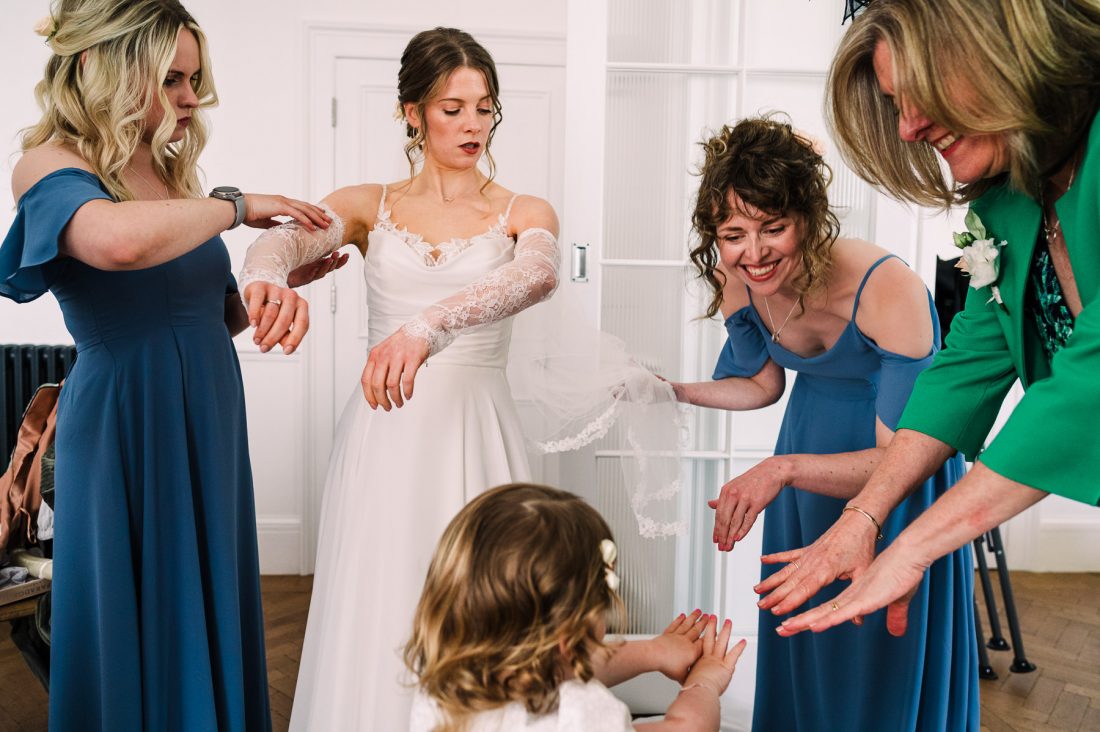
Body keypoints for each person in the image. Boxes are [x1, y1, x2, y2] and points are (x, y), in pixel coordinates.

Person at [0, 1, 335, 730]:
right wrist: (238, 207)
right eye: (172, 79)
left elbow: (204, 317)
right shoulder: (49, 163)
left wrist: (275, 288)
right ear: (98, 67)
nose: (191, 98)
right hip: (123, 421)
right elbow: (113, 245)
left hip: (208, 413)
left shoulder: (172, 174)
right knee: (133, 609)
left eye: (195, 79)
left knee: (205, 596)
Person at [237, 27, 564, 729]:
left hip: (476, 429)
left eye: (485, 108)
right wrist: (269, 280)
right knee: (380, 592)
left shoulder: (521, 212)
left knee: (485, 599)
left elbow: (537, 275)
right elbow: (282, 239)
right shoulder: (367, 203)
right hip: (383, 433)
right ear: (411, 112)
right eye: (453, 108)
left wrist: (428, 326)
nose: (473, 124)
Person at [756, 0, 1100, 640]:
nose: (909, 127)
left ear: (1002, 53)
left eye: (922, 94)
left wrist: (913, 547)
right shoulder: (1008, 201)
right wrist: (864, 517)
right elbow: (963, 371)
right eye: (895, 103)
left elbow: (1091, 383)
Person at [666, 116, 978, 731]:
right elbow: (759, 383)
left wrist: (782, 469)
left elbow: (900, 455)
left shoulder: (885, 286)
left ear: (808, 218)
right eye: (733, 235)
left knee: (878, 649)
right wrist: (670, 392)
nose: (752, 255)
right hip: (803, 466)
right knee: (807, 641)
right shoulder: (738, 276)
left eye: (772, 229)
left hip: (891, 475)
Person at [405, 482, 746, 731]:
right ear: (575, 626)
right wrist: (704, 683)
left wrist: (655, 652)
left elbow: (552, 668)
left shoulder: (444, 690)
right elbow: (685, 729)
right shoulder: (583, 712)